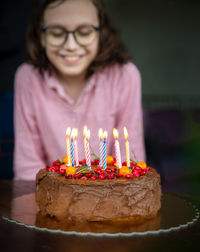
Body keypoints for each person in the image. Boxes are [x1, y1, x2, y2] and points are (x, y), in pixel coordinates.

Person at [14, 0, 145, 180]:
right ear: (41, 36)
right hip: (50, 200)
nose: (71, 46)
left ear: (101, 33)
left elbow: (131, 161)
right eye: (57, 33)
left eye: (84, 32)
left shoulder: (125, 76)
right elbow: (27, 168)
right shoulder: (27, 77)